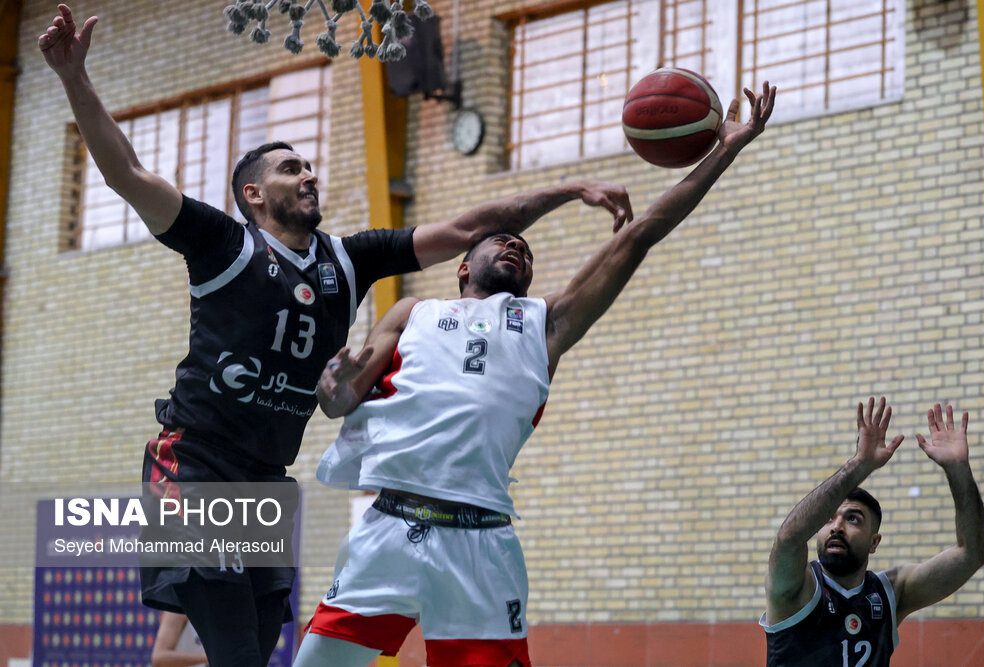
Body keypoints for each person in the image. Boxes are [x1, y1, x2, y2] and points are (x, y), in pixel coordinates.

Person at [37, 5, 633, 666]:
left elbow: (469, 229)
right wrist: (73, 77)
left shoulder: (348, 261)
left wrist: (569, 188)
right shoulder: (221, 244)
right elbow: (127, 174)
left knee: (256, 651)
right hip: (195, 462)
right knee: (234, 651)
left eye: (310, 167)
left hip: (267, 477)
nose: (309, 175)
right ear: (254, 194)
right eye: (291, 168)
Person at [294, 83, 777, 667]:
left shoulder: (545, 324)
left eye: (525, 252)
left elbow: (644, 230)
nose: (516, 249)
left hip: (479, 544)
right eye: (503, 241)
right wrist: (333, 387)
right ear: (462, 268)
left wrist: (726, 150)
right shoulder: (413, 312)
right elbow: (341, 400)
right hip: (389, 530)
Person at [760, 397, 984, 666]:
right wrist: (860, 464)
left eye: (853, 519)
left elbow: (973, 553)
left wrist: (958, 470)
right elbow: (789, 538)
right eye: (828, 519)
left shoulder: (891, 591)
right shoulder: (795, 586)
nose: (836, 526)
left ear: (874, 542)